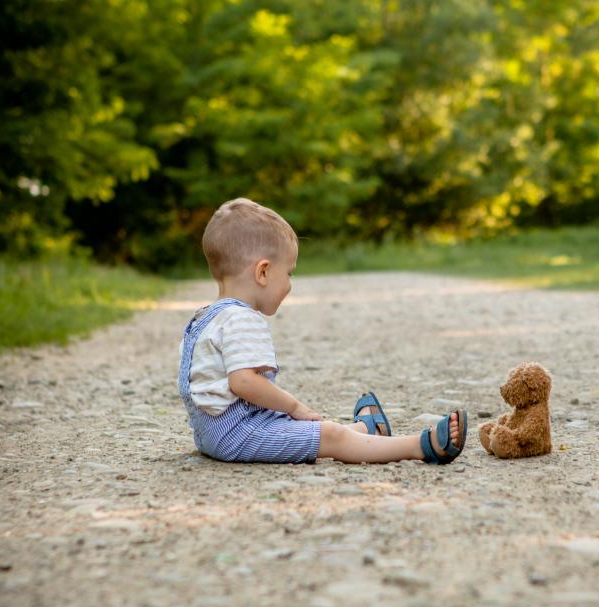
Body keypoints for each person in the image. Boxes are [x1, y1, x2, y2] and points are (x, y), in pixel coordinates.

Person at [177, 198, 467, 465]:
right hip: (237, 434)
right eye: (288, 273)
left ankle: (366, 430)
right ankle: (421, 446)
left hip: (211, 434)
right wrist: (294, 407)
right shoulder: (241, 318)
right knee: (329, 436)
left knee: (314, 431)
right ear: (263, 272)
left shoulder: (207, 317)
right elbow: (243, 382)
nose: (289, 284)